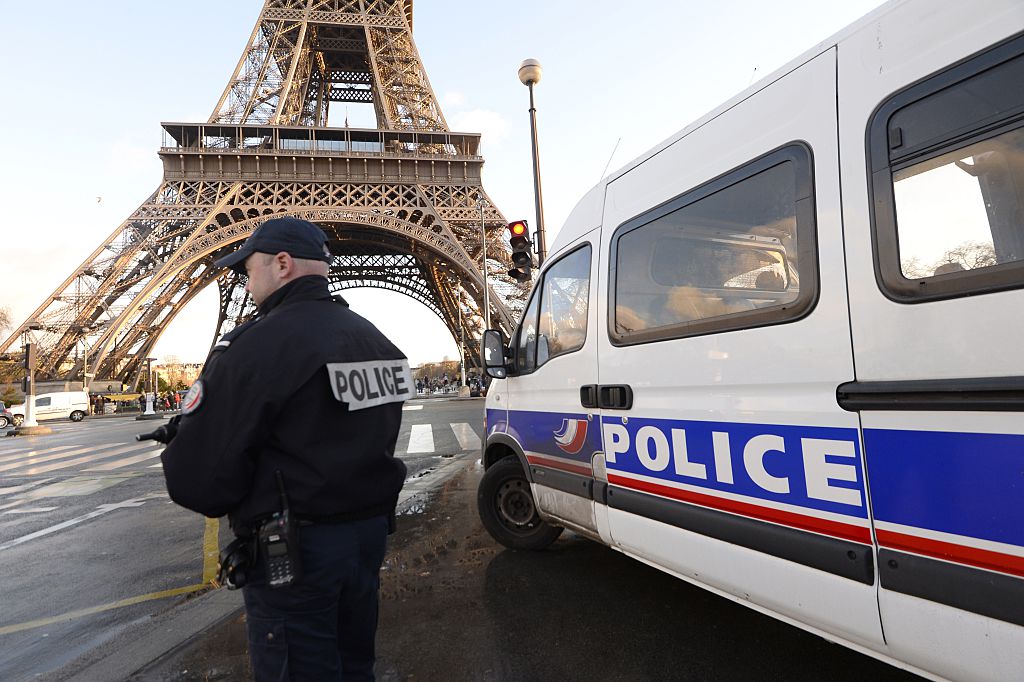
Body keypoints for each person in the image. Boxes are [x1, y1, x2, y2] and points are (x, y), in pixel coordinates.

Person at [160, 217, 410, 681]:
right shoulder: (377, 341)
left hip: (296, 556)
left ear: (282, 264)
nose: (246, 283)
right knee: (355, 667)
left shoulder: (256, 347)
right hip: (366, 541)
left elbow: (199, 481)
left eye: (248, 270)